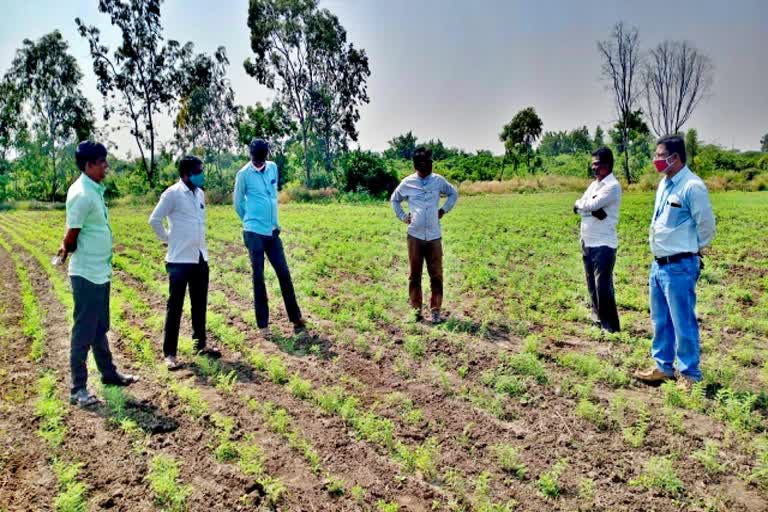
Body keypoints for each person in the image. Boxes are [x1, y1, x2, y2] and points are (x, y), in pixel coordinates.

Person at [57, 141, 138, 407]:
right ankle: (78, 388)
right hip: (87, 274)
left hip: (100, 271)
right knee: (84, 331)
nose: (106, 166)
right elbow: (72, 236)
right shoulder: (81, 193)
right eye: (102, 162)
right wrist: (64, 248)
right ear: (89, 165)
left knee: (99, 327)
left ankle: (108, 373)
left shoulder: (94, 190)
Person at [635, 135, 716, 392]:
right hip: (659, 264)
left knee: (683, 321)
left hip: (680, 265)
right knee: (661, 320)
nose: (657, 160)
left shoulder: (692, 186)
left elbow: (707, 227)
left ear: (676, 157)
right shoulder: (664, 183)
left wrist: (693, 250)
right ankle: (663, 367)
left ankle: (690, 374)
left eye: (661, 155)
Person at [149, 156, 220, 370]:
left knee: (199, 305)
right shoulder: (172, 194)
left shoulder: (200, 194)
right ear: (186, 174)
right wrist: (168, 238)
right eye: (198, 171)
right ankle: (169, 354)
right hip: (179, 260)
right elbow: (154, 219)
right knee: (175, 308)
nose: (202, 175)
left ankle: (200, 345)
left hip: (199, 257)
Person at [234, 139, 306, 336]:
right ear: (250, 155)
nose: (257, 163)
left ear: (266, 156)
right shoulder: (243, 175)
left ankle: (296, 317)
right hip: (254, 232)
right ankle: (263, 325)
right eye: (255, 159)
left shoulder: (273, 168)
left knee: (284, 273)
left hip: (273, 231)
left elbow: (273, 195)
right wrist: (250, 220)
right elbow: (238, 203)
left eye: (260, 159)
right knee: (258, 276)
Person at [390, 146, 458, 324]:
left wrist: (443, 210)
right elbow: (394, 199)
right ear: (415, 164)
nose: (427, 165)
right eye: (422, 162)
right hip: (415, 236)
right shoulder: (407, 183)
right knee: (414, 275)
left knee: (436, 275)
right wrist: (404, 217)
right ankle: (415, 311)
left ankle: (435, 310)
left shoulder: (438, 181)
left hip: (434, 236)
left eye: (429, 161)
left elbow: (453, 193)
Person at [573, 147, 622, 333]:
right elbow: (580, 203)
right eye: (592, 163)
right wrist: (586, 208)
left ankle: (611, 328)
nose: (594, 167)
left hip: (604, 243)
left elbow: (591, 204)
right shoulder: (594, 185)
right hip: (587, 239)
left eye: (597, 164)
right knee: (591, 284)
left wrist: (586, 207)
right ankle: (597, 320)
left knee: (603, 287)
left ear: (607, 164)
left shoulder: (612, 186)